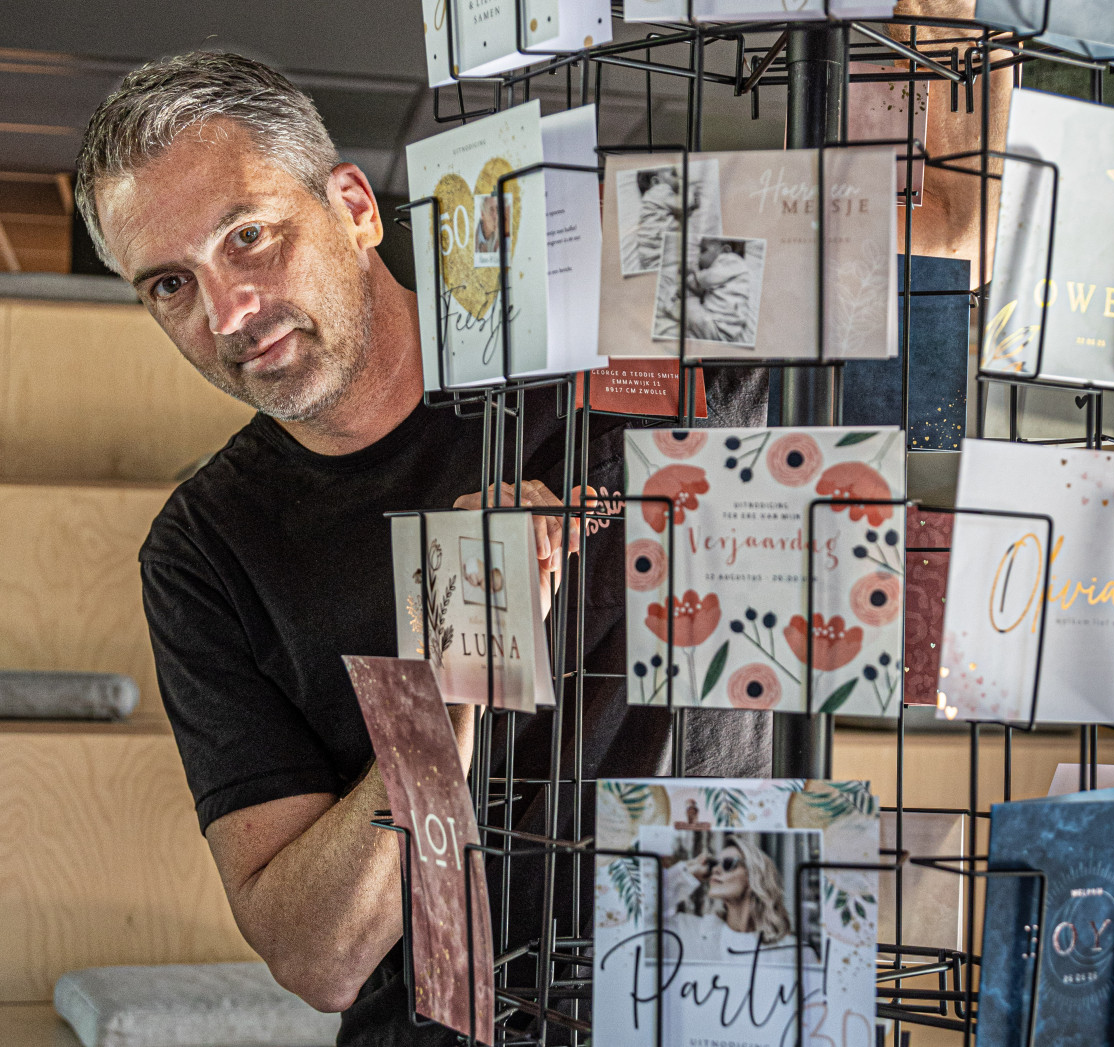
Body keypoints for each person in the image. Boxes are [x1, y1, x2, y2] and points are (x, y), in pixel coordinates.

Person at [75, 50, 770, 1046]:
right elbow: (318, 958)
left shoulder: (614, 323)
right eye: (171, 284)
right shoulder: (204, 548)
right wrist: (446, 682)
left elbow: (943, 233)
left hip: (728, 995)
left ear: (355, 207)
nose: (228, 314)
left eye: (249, 236)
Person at [661, 835, 815, 969]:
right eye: (713, 864)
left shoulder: (794, 952)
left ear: (754, 876)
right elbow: (647, 916)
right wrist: (685, 873)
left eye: (728, 863)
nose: (715, 870)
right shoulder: (690, 932)